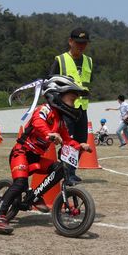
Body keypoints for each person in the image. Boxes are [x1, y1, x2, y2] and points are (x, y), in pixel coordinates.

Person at [0, 76, 92, 233]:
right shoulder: (44, 110)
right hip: (21, 152)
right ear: (57, 94)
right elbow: (38, 123)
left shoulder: (60, 121)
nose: (74, 102)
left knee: (59, 169)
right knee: (20, 183)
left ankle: (34, 196)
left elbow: (67, 139)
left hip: (36, 157)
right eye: (72, 98)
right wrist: (49, 133)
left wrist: (79, 145)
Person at [49, 27, 93, 183]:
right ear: (70, 41)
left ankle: (70, 171)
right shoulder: (60, 60)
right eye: (78, 42)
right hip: (65, 108)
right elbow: (50, 83)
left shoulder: (89, 61)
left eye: (84, 43)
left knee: (81, 140)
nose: (81, 46)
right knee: (68, 141)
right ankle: (67, 174)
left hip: (82, 107)